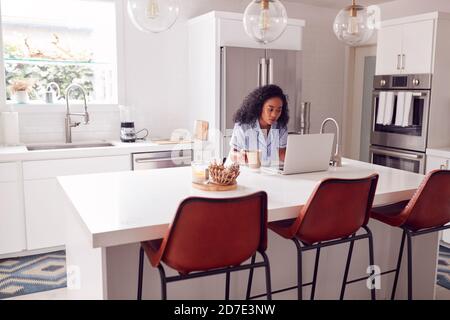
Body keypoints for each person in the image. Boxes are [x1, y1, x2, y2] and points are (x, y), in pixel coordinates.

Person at [228, 84, 289, 167]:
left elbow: (282, 154)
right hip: (247, 172)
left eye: (278, 110)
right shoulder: (243, 126)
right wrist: (241, 157)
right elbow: (233, 154)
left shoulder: (281, 127)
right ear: (260, 106)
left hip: (271, 173)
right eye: (270, 109)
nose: (274, 114)